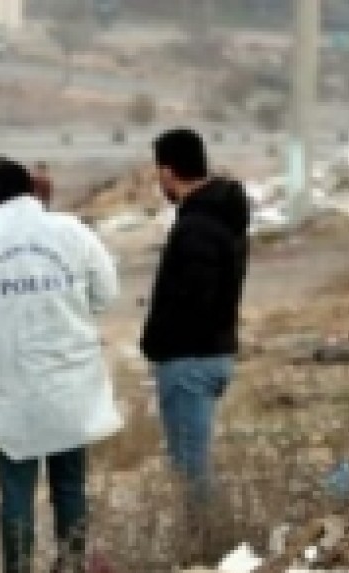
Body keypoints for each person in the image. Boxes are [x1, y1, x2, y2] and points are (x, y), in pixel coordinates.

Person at [0, 159, 121, 573]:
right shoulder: (72, 232)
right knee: (70, 486)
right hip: (68, 383)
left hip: (12, 388)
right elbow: (106, 294)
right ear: (30, 190)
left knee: (16, 493)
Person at [141, 128, 249, 500]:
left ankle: (206, 535)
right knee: (191, 466)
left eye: (159, 173)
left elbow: (195, 297)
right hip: (209, 353)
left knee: (191, 473)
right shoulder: (218, 215)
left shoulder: (197, 226)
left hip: (189, 360)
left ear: (168, 172)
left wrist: (161, 341)